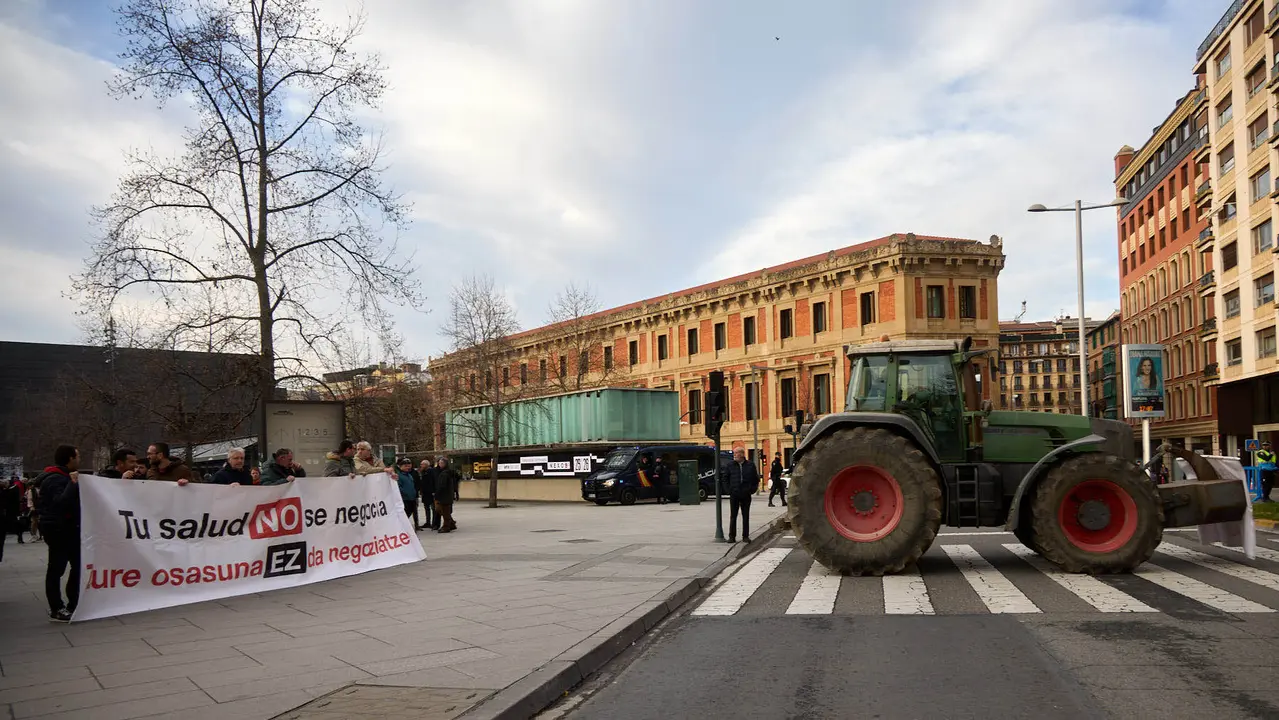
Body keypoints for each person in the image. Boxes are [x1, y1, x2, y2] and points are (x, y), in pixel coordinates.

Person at [36, 445, 81, 622]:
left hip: (68, 528)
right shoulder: (55, 479)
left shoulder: (62, 477)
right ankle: (56, 607)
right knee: (57, 569)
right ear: (70, 458)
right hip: (58, 529)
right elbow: (60, 502)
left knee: (78, 565)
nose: (79, 460)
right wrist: (73, 484)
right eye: (77, 456)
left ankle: (74, 602)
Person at [725, 447, 760, 543]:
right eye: (734, 453)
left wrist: (752, 490)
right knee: (733, 516)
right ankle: (732, 536)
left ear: (742, 454)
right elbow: (725, 478)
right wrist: (729, 490)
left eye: (736, 453)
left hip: (746, 494)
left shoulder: (750, 465)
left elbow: (755, 479)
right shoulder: (730, 465)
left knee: (746, 516)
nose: (734, 455)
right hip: (734, 494)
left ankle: (745, 536)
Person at [433, 456, 459, 533]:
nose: (440, 464)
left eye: (441, 463)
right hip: (447, 495)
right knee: (443, 510)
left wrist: (437, 494)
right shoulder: (447, 472)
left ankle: (446, 526)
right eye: (439, 463)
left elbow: (442, 485)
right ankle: (451, 523)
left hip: (444, 495)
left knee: (444, 511)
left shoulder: (445, 473)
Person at [395, 458, 419, 525]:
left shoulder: (409, 475)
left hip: (412, 498)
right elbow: (398, 487)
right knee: (405, 513)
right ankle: (401, 525)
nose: (407, 467)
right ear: (400, 466)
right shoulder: (399, 476)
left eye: (408, 466)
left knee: (411, 511)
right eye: (405, 466)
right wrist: (405, 493)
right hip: (405, 498)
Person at [418, 460, 437, 530]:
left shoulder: (431, 471)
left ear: (426, 465)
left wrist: (433, 491)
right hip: (425, 493)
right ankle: (428, 522)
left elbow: (433, 481)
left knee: (433, 508)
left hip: (430, 492)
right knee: (426, 508)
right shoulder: (423, 472)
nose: (421, 466)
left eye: (422, 464)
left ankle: (434, 522)